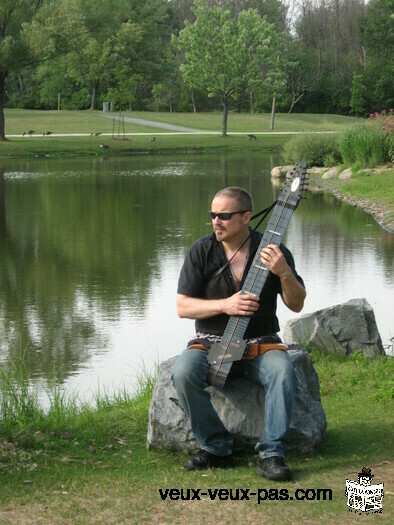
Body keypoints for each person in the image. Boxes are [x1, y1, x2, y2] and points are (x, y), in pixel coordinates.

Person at [172, 186, 306, 481]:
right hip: (210, 344)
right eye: (213, 215)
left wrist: (283, 272)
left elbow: (296, 304)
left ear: (246, 217)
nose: (216, 221)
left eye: (224, 215)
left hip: (261, 344)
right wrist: (225, 304)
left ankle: (272, 454)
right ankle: (216, 447)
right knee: (183, 373)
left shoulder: (274, 251)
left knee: (282, 372)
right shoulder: (201, 251)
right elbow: (183, 307)